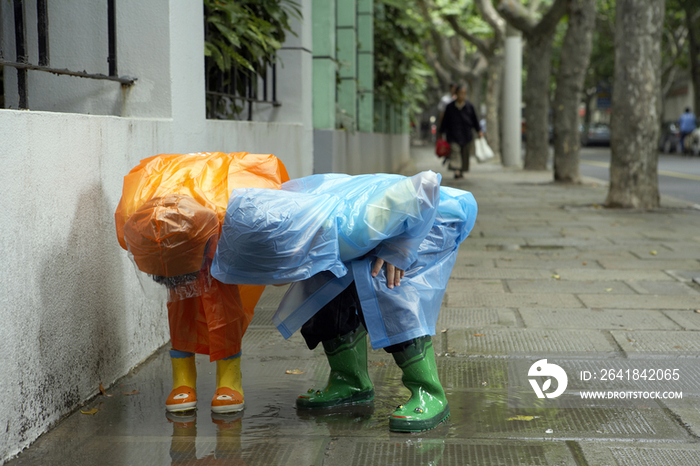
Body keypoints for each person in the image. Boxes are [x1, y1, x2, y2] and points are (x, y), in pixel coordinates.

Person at [211, 171, 478, 432]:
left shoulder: (355, 224)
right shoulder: (290, 211)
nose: (270, 281)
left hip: (430, 220)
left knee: (389, 291)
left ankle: (429, 393)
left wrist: (400, 248)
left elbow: (426, 186)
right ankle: (349, 382)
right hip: (377, 221)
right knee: (323, 290)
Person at [115, 152, 289, 414]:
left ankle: (228, 379)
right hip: (176, 231)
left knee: (222, 301)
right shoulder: (145, 211)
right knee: (181, 303)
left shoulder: (230, 206)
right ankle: (183, 380)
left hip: (214, 235)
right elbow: (128, 234)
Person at [439, 84, 483, 179]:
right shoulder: (450, 107)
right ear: (456, 94)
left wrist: (479, 130)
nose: (462, 95)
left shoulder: (469, 106)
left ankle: (461, 170)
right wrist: (441, 132)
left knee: (464, 154)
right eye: (460, 93)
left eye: (464, 93)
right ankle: (456, 170)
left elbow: (475, 119)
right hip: (453, 135)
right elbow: (445, 121)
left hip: (466, 134)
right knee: (455, 152)